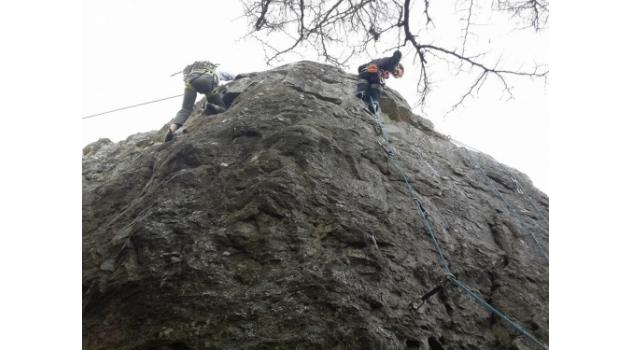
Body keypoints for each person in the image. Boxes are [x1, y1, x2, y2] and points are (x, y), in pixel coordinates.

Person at [164, 61, 235, 142]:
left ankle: (172, 129)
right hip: (207, 79)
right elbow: (231, 76)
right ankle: (214, 106)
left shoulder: (192, 72)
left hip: (190, 83)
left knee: (185, 109)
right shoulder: (215, 71)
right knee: (221, 107)